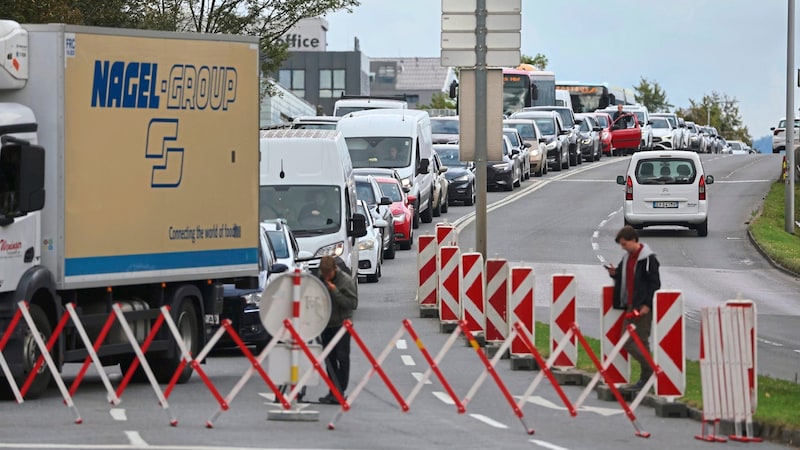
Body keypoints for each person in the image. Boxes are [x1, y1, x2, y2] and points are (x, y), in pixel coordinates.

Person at [605, 226, 661, 391]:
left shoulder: (648, 259)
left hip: (642, 307)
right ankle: (647, 379)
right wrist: (614, 273)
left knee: (631, 342)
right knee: (636, 342)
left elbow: (654, 284)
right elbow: (623, 276)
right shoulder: (628, 257)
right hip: (630, 304)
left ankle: (650, 373)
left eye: (624, 244)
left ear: (633, 240)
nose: (623, 247)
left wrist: (647, 305)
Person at [317, 255, 358, 404]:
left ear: (335, 270)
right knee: (330, 359)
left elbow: (352, 303)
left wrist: (335, 292)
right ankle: (332, 390)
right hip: (327, 325)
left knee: (342, 357)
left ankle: (341, 390)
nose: (327, 277)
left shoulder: (345, 281)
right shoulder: (320, 279)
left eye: (329, 274)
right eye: (324, 274)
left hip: (342, 324)